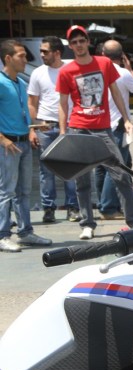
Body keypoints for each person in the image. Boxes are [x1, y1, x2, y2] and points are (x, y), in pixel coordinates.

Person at [57, 25, 133, 240]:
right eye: (74, 42)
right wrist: (63, 132)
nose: (78, 45)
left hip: (103, 128)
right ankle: (87, 224)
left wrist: (127, 119)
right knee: (82, 180)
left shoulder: (103, 63)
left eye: (81, 40)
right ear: (71, 45)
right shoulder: (66, 71)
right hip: (78, 128)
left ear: (87, 42)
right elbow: (63, 104)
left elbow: (115, 92)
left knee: (121, 174)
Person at [0, 39, 52, 252]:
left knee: (24, 191)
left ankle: (25, 232)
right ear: (8, 58)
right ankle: (3, 235)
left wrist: (36, 127)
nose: (26, 59)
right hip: (7, 144)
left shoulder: (21, 83)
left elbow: (20, 114)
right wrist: (3, 139)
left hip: (22, 142)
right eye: (21, 56)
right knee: (6, 191)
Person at [27, 35, 81, 224]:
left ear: (57, 53)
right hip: (45, 126)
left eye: (45, 51)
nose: (41, 54)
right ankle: (48, 208)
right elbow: (32, 103)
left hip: (70, 125)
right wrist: (32, 128)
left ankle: (73, 207)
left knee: (71, 168)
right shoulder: (37, 73)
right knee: (46, 170)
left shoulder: (72, 69)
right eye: (41, 51)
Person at [95, 39, 133, 220]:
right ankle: (108, 207)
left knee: (102, 167)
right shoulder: (123, 73)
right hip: (118, 125)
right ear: (122, 56)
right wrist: (131, 69)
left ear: (102, 55)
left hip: (98, 124)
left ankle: (104, 203)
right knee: (116, 167)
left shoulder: (96, 71)